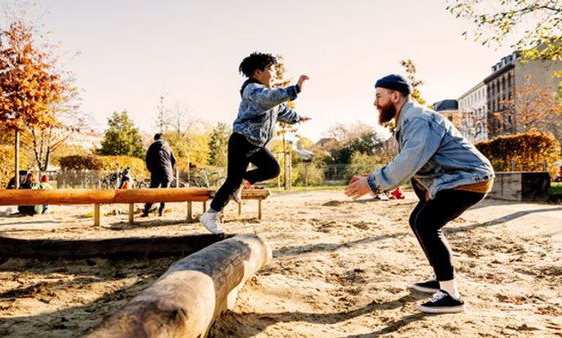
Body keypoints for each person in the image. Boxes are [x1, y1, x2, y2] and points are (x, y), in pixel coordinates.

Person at [345, 74, 495, 314]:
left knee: (427, 224)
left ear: (395, 96)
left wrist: (372, 183)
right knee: (418, 220)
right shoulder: (407, 120)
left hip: (469, 178)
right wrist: (370, 179)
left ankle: (450, 295)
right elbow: (411, 165)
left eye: (378, 96)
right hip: (452, 179)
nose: (375, 103)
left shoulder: (417, 119)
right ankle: (441, 278)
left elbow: (408, 161)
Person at [199, 52, 311, 234]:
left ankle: (244, 181)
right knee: (232, 180)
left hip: (256, 145)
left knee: (273, 169)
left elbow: (282, 111)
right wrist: (295, 88)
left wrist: (298, 118)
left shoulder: (268, 95)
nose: (272, 74)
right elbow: (270, 98)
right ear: (258, 72)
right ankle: (211, 214)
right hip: (242, 141)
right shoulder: (252, 90)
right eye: (270, 70)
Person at [142, 133, 176, 217]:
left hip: (156, 173)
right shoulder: (168, 147)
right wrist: (170, 169)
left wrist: (151, 170)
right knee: (164, 193)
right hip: (167, 173)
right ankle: (161, 210)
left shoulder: (152, 147)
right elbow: (174, 160)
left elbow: (147, 160)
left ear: (155, 139)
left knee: (152, 192)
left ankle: (146, 211)